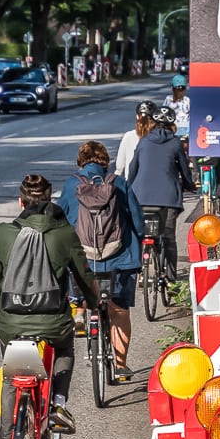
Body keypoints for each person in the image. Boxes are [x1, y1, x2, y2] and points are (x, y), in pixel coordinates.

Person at [0, 173, 98, 439]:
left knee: (13, 377)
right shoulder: (63, 233)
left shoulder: (4, 233)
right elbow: (83, 276)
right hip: (53, 321)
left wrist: (6, 308)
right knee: (64, 350)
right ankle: (58, 404)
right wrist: (93, 302)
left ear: (20, 201)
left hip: (13, 322)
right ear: (49, 201)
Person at [58, 142, 144, 381]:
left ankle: (80, 311)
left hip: (84, 260)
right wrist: (141, 242)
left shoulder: (71, 185)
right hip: (121, 260)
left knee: (82, 288)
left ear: (81, 161)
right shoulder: (118, 183)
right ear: (105, 160)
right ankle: (120, 364)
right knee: (119, 311)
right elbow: (136, 220)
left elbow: (60, 219)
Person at [127, 105, 196, 279]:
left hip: (141, 197)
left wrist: (128, 188)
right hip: (168, 199)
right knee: (168, 238)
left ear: (153, 124)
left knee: (144, 234)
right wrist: (190, 185)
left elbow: (133, 168)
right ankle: (171, 279)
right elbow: (184, 170)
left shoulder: (143, 141)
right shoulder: (175, 143)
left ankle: (139, 271)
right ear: (172, 126)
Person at [114, 100, 157, 180]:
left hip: (132, 184)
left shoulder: (128, 136)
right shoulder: (158, 137)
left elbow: (120, 166)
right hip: (153, 183)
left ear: (137, 116)